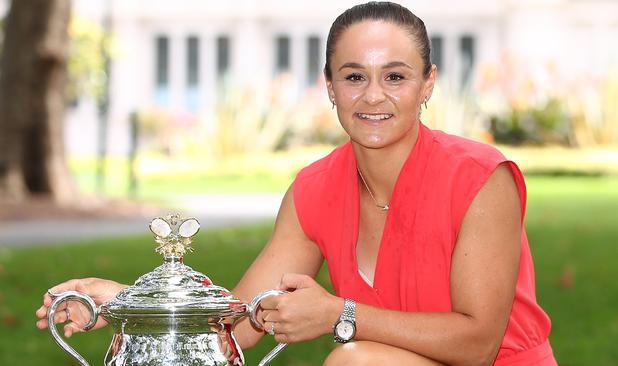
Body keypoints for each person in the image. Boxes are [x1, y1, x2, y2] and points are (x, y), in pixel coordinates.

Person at [36, 2, 557, 365]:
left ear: (428, 84)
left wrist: (340, 315)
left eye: (395, 76)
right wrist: (133, 308)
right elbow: (236, 330)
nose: (373, 96)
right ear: (329, 87)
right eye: (354, 76)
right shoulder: (316, 190)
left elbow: (477, 345)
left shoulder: (481, 179)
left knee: (355, 363)